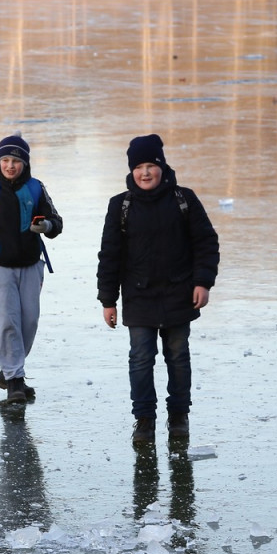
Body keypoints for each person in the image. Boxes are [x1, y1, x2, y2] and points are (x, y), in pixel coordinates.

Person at [97, 134, 219, 444]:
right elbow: (110, 255)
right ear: (131, 171)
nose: (146, 173)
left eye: (151, 165)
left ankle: (179, 415)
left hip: (180, 294)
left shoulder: (184, 199)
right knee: (140, 358)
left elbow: (206, 243)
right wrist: (108, 300)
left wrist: (202, 282)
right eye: (139, 167)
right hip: (139, 297)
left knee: (178, 357)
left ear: (162, 167)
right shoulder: (120, 206)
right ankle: (144, 420)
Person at [0, 134, 63, 403]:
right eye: (5, 160)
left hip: (31, 265)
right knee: (8, 322)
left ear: (25, 163)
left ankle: (8, 371)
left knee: (29, 322)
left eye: (16, 161)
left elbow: (56, 222)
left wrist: (46, 227)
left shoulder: (36, 187)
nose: (10, 165)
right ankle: (15, 381)